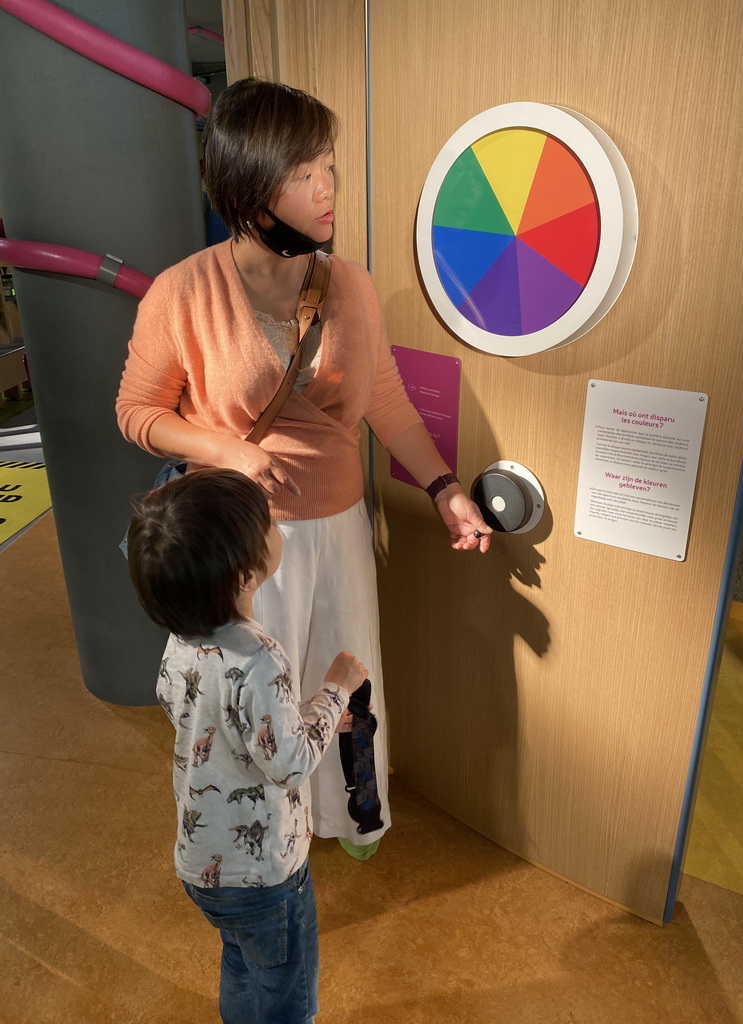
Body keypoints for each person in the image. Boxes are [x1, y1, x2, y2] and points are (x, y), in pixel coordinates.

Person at [116, 77, 491, 860]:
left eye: (330, 168)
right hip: (246, 538)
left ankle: (350, 815)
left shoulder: (347, 283)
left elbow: (383, 396)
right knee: (258, 704)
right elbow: (138, 413)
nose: (327, 191)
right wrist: (229, 451)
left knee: (347, 676)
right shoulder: (181, 292)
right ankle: (263, 850)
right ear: (249, 186)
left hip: (341, 522)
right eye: (303, 174)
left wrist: (445, 488)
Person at [127, 467, 366, 1024]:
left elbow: (209, 719)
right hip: (265, 877)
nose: (275, 528)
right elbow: (290, 764)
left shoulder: (180, 639)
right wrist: (336, 690)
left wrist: (311, 717)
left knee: (240, 962)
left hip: (201, 866)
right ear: (244, 576)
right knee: (287, 992)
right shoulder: (260, 657)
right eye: (268, 525)